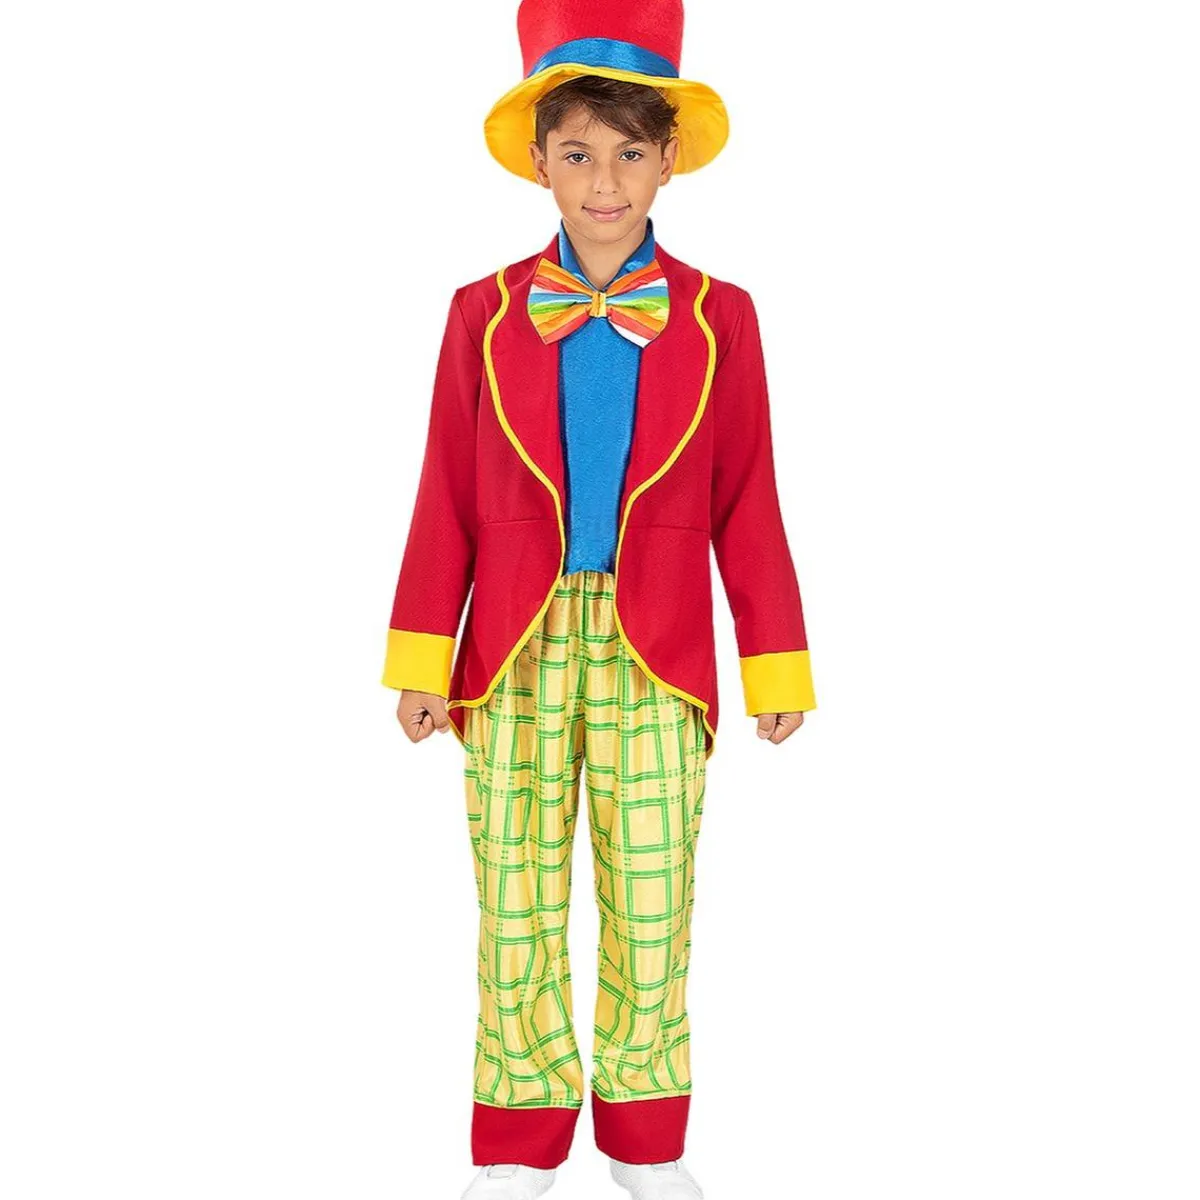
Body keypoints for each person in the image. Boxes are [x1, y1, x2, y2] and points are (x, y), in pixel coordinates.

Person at [381, 2, 816, 1195]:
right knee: (515, 903)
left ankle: (644, 1145)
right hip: (512, 648)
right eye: (577, 154)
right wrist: (422, 659)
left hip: (658, 644)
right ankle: (518, 1146)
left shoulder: (723, 317)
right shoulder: (480, 312)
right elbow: (444, 493)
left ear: (670, 158)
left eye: (630, 153)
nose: (605, 182)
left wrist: (773, 661)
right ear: (539, 162)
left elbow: (749, 498)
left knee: (653, 905)